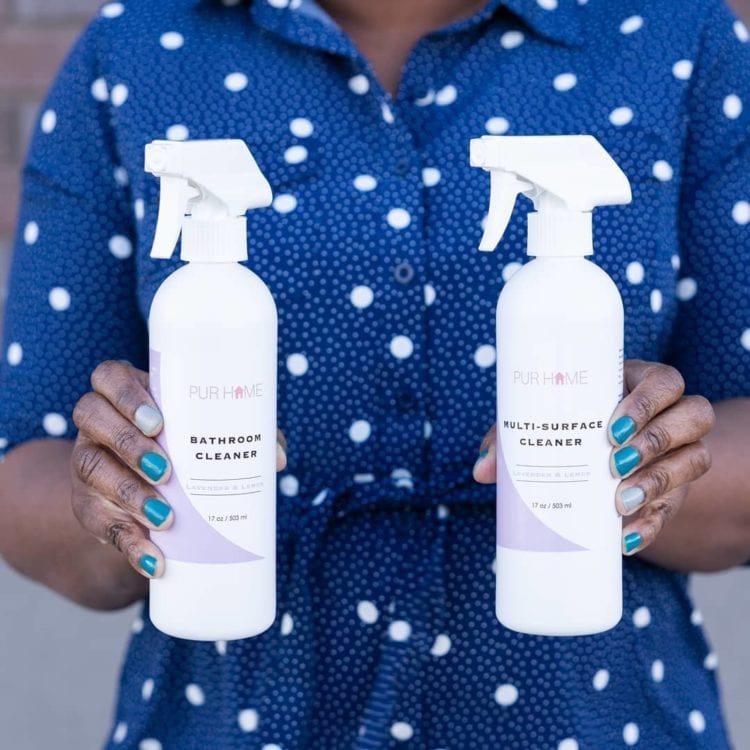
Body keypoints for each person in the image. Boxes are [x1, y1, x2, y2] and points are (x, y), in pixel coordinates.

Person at [0, 0, 748, 747]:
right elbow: (25, 465)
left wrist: (646, 469)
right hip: (235, 719)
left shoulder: (674, 35)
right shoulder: (137, 50)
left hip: (592, 718)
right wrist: (121, 495)